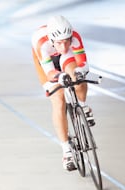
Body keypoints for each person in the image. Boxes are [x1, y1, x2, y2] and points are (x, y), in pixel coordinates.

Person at [31, 15, 94, 171]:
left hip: (65, 59)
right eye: (60, 42)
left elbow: (83, 64)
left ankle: (83, 107)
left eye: (67, 41)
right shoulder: (42, 43)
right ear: (52, 40)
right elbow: (49, 73)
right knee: (58, 100)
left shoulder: (75, 38)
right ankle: (66, 152)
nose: (64, 46)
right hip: (46, 61)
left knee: (77, 77)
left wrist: (79, 73)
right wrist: (59, 77)